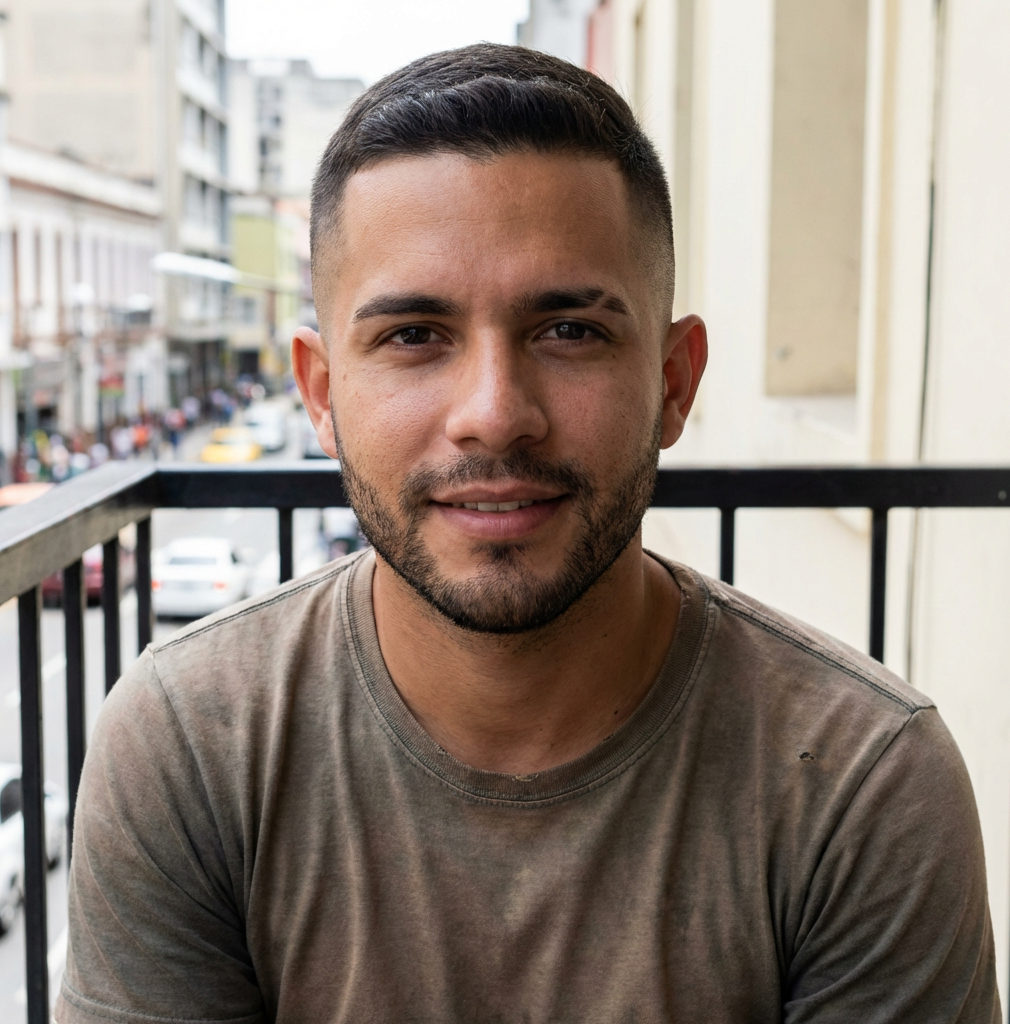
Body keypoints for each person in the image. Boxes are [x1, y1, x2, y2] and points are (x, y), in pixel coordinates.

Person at [57, 45, 998, 1023]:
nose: (495, 413)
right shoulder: (190, 747)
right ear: (322, 394)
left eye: (569, 331)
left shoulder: (862, 782)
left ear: (673, 383)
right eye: (415, 335)